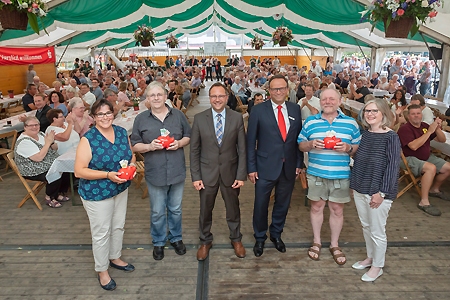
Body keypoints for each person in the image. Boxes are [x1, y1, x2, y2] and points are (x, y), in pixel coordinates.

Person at [74, 99, 136, 291]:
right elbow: (79, 171)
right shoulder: (88, 139)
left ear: (113, 114)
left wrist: (132, 164)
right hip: (97, 193)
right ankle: (102, 270)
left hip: (120, 188)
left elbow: (130, 154)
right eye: (100, 114)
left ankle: (115, 257)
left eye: (108, 113)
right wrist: (108, 175)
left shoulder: (121, 132)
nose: (105, 117)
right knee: (101, 233)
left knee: (118, 226)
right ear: (93, 117)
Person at [298, 88, 361, 265]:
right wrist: (310, 144)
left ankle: (334, 244)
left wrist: (348, 148)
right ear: (320, 102)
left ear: (339, 101)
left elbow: (357, 147)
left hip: (340, 174)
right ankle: (317, 241)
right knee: (316, 207)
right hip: (316, 173)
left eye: (332, 99)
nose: (327, 102)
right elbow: (300, 145)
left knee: (337, 209)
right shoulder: (311, 122)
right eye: (324, 99)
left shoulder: (351, 123)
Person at [131, 81, 191, 261]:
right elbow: (135, 145)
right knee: (157, 211)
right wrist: (149, 146)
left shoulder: (178, 115)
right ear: (147, 99)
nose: (156, 98)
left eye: (159, 94)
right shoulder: (141, 119)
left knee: (176, 209)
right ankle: (158, 241)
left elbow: (188, 135)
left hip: (176, 169)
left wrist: (179, 143)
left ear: (166, 96)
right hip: (155, 171)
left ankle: (176, 237)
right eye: (152, 95)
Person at [247, 74, 303, 257]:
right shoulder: (258, 110)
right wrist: (251, 167)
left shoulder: (295, 109)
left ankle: (276, 234)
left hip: (289, 166)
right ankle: (260, 237)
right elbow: (250, 142)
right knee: (261, 204)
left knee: (282, 204)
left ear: (287, 90)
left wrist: (299, 162)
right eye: (274, 89)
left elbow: (298, 139)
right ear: (268, 91)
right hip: (264, 166)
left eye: (282, 88)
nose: (278, 92)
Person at [190, 82, 247, 261]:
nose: (217, 99)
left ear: (226, 97)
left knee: (233, 209)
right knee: (205, 210)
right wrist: (196, 176)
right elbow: (194, 150)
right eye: (213, 96)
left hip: (230, 173)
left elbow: (242, 149)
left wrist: (240, 175)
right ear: (210, 98)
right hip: (207, 174)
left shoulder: (237, 118)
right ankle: (205, 240)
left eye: (220, 96)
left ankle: (236, 238)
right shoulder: (199, 118)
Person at [350, 99, 400, 282]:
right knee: (366, 226)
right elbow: (359, 161)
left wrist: (382, 193)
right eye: (367, 111)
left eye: (374, 111)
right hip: (361, 187)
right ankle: (370, 257)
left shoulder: (391, 137)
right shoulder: (366, 135)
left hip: (378, 191)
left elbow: (393, 167)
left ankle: (378, 266)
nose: (369, 114)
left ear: (384, 114)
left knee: (378, 230)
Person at [397, 104, 450, 216]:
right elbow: (413, 146)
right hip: (408, 159)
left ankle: (434, 190)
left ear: (422, 114)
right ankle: (424, 202)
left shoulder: (424, 126)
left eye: (418, 113)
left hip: (426, 157)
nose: (416, 116)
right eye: (413, 114)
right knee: (431, 168)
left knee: (448, 168)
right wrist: (429, 132)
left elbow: (442, 140)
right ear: (409, 116)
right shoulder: (405, 129)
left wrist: (437, 128)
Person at [14, 116, 69, 208]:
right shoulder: (24, 141)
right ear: (25, 127)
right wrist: (47, 143)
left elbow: (55, 148)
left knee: (65, 167)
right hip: (32, 169)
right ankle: (49, 197)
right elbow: (39, 158)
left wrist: (51, 142)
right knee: (54, 172)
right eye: (31, 125)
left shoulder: (41, 134)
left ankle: (57, 193)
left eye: (36, 125)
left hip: (46, 162)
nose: (34, 127)